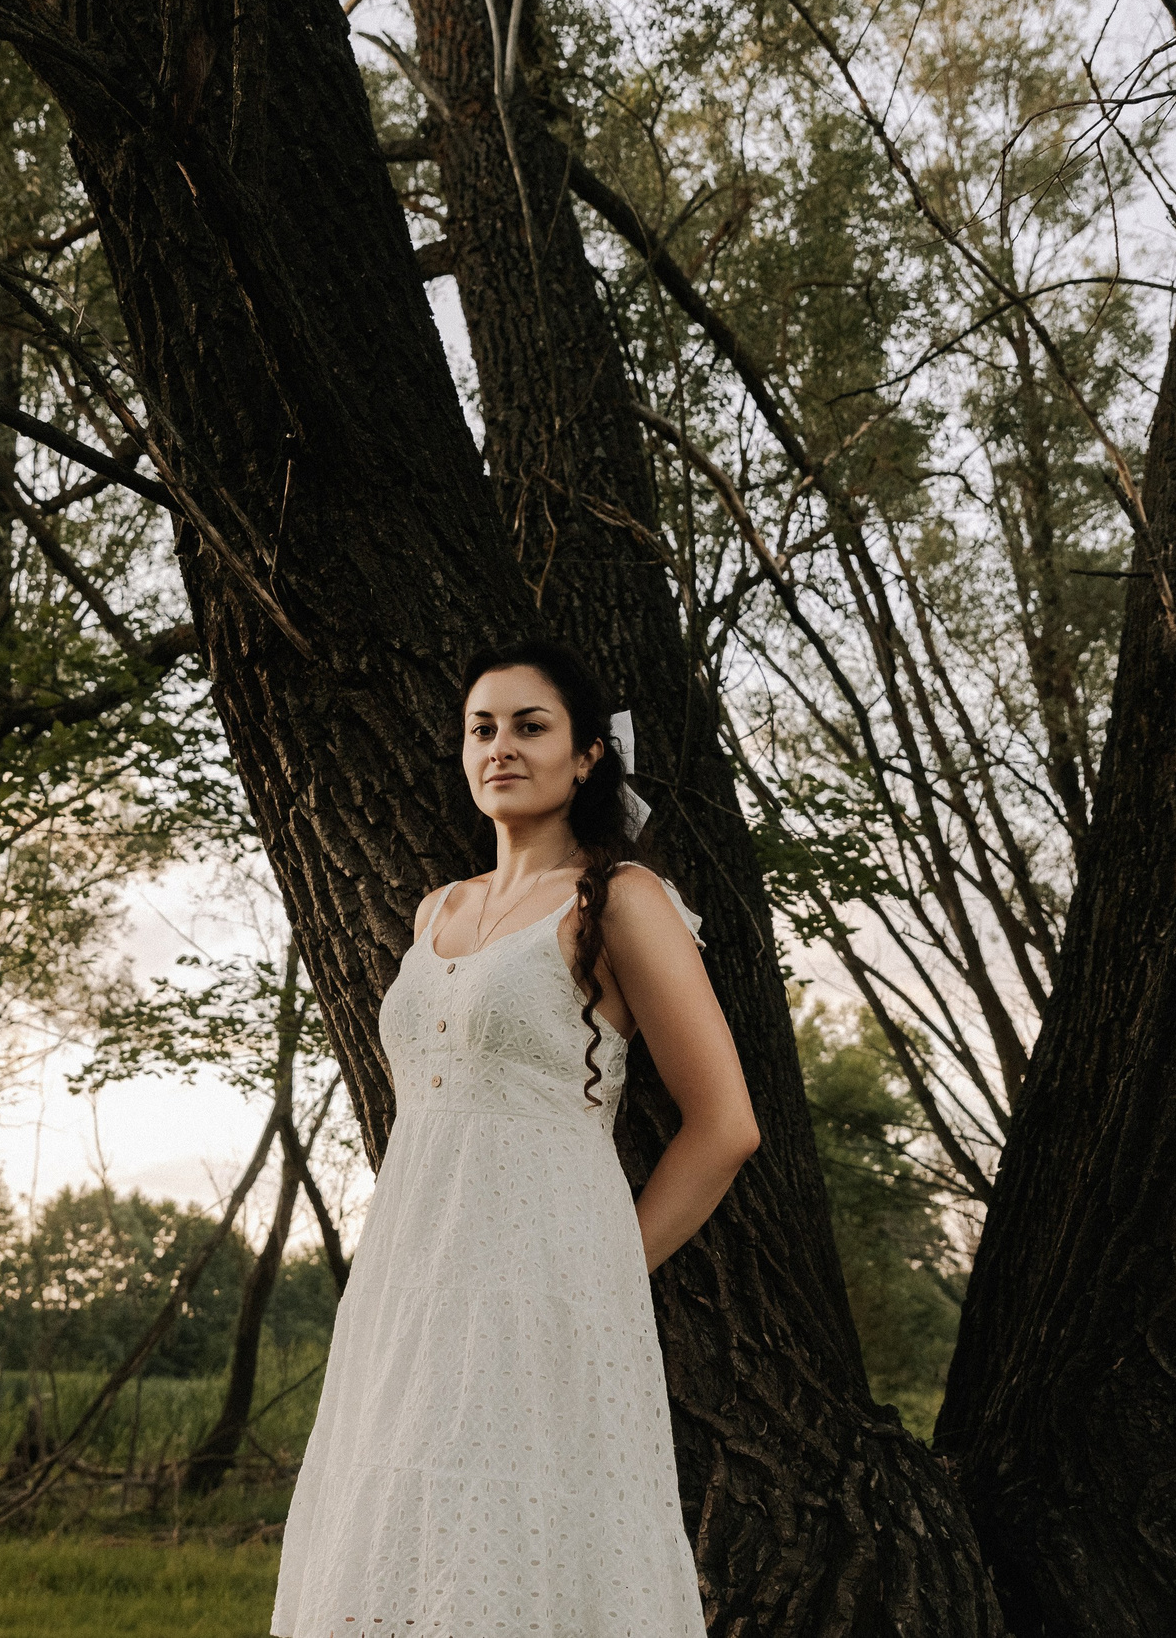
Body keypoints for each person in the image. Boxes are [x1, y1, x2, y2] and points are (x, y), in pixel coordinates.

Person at [271, 639, 760, 1637]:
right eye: (481, 728)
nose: (501, 746)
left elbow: (725, 1127)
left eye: (530, 727)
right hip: (412, 1272)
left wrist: (602, 1266)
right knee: (397, 1516)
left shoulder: (619, 899)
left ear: (586, 757)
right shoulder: (435, 910)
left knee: (522, 1532)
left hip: (550, 1279)